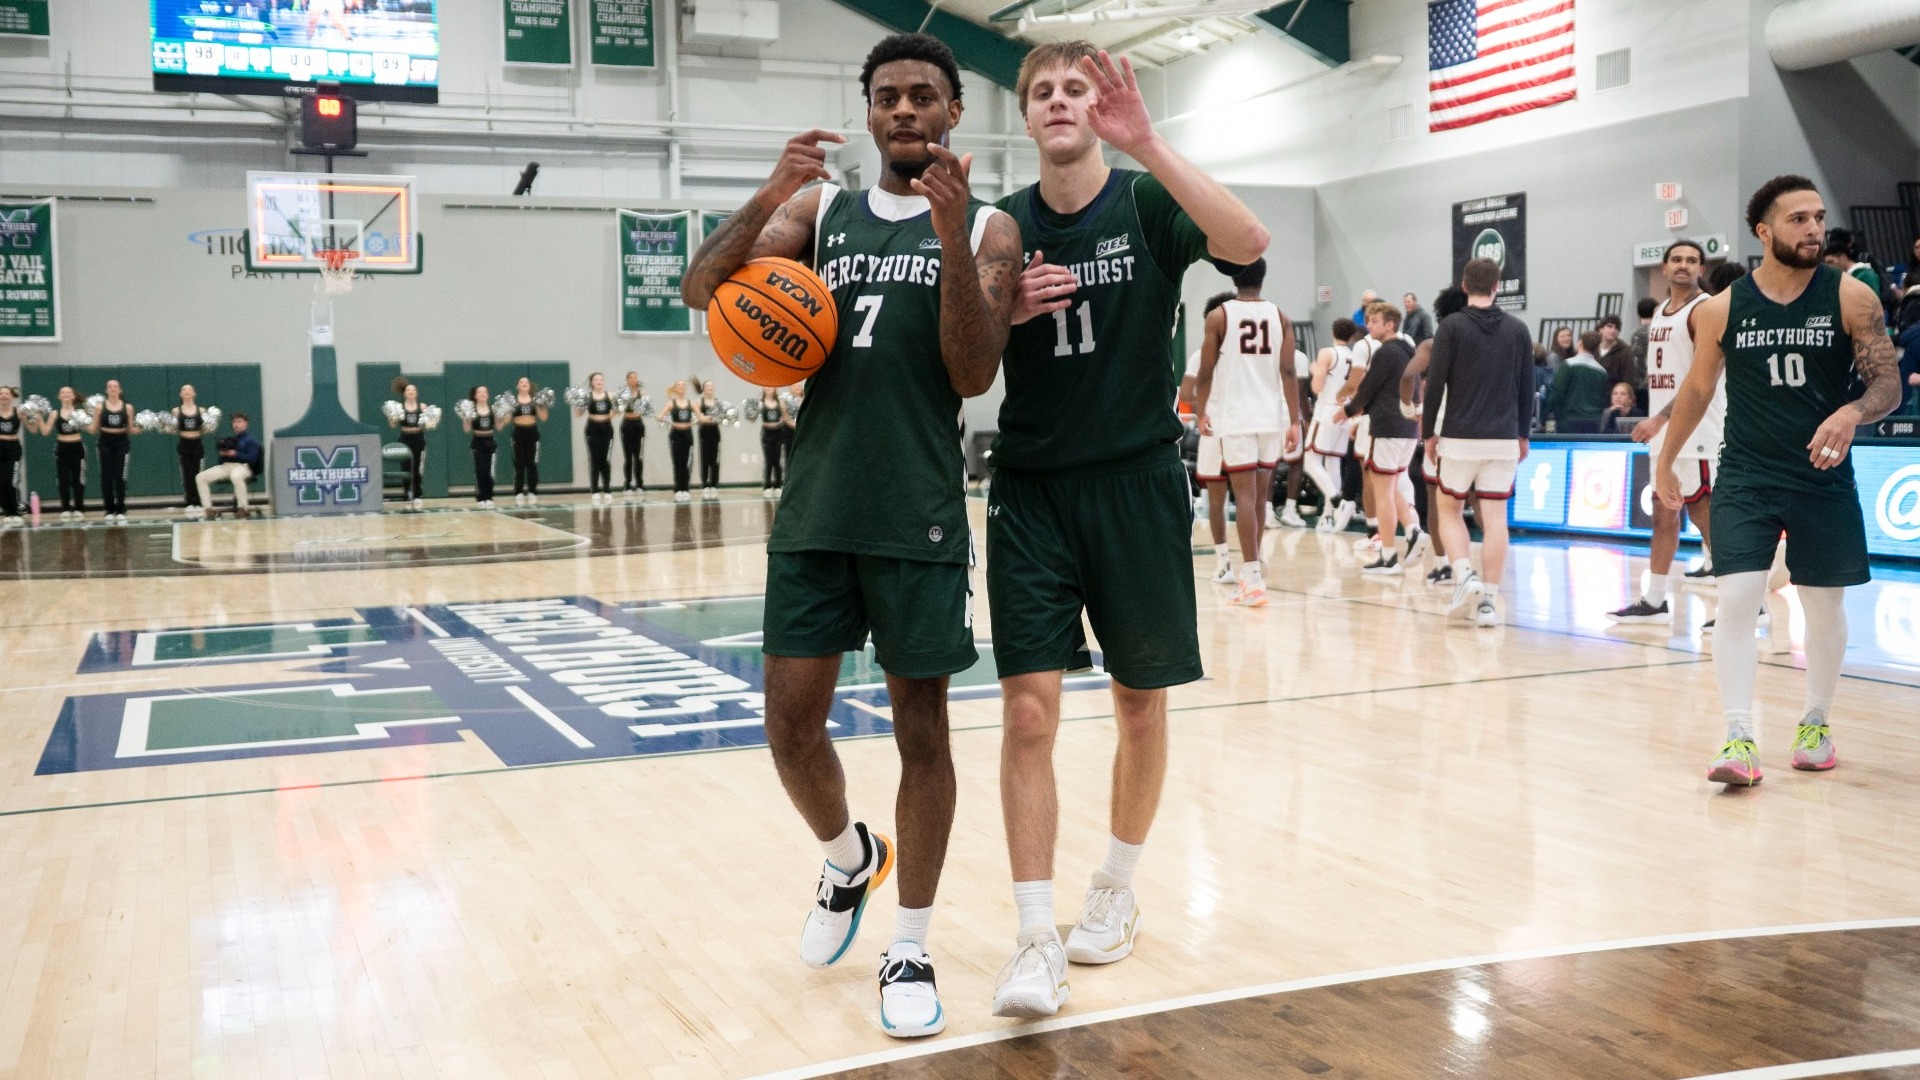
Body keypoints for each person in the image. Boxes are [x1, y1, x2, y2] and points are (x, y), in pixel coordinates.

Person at [679, 31, 1019, 1038]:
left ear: (953, 113)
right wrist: (764, 193)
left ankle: (908, 944)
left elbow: (971, 374)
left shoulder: (991, 227)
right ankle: (846, 858)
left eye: (923, 96)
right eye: (887, 97)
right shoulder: (819, 210)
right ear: (868, 113)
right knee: (788, 723)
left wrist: (952, 237)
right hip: (818, 506)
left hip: (916, 509)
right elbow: (705, 289)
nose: (905, 111)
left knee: (924, 732)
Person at [989, 41, 1267, 1019]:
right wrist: (999, 307)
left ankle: (1114, 885)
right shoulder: (1000, 227)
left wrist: (1148, 141)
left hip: (1138, 484)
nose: (1061, 101)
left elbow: (1245, 237)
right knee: (1027, 711)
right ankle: (1032, 937)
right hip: (1029, 491)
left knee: (1139, 704)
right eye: (1044, 91)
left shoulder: (1146, 205)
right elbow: (965, 363)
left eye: (1077, 88)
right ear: (1024, 115)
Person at [1658, 175, 1902, 787]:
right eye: (1798, 219)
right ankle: (1738, 736)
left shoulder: (1851, 297)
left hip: (1821, 474)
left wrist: (1851, 412)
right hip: (1746, 473)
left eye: (1818, 217)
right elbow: (1697, 389)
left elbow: (1887, 385)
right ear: (1764, 231)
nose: (1814, 228)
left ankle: (1816, 721)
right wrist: (1665, 460)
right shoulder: (1722, 308)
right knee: (1738, 597)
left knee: (1822, 604)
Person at [1423, 256, 1534, 628]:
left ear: (1465, 287)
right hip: (1504, 437)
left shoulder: (1451, 327)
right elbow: (1527, 387)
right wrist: (1523, 434)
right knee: (1495, 518)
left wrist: (1428, 434)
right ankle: (1488, 601)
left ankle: (1463, 575)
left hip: (1460, 436)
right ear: (1498, 286)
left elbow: (1435, 383)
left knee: (1449, 508)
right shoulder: (1518, 329)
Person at [1611, 239, 1712, 624]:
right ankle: (1654, 600)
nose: (1684, 265)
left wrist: (1659, 420)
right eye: (1677, 259)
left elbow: (1700, 380)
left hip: (1698, 431)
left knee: (1707, 519)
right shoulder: (1659, 312)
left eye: (1692, 260)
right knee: (1663, 516)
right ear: (1665, 268)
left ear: (1702, 269)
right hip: (1667, 434)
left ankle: (1754, 604)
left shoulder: (1704, 310)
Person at [1194, 261, 1300, 605]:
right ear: (1263, 278)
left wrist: (1201, 410)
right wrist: (1295, 420)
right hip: (1270, 416)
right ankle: (1256, 561)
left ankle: (1252, 576)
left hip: (1237, 416)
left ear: (1233, 277)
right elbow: (1288, 369)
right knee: (1259, 494)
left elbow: (1206, 372)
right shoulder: (1281, 316)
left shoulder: (1219, 316)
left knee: (1244, 498)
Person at [1341, 302, 1423, 575]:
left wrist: (1348, 411)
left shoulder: (1385, 352)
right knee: (1393, 483)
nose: (1369, 325)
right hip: (1408, 428)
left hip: (1387, 426)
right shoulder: (1409, 349)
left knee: (1383, 491)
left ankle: (1389, 555)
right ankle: (1412, 530)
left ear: (1390, 324)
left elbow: (1368, 387)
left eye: (1374, 321)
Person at [1183, 293, 1236, 585]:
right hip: (1247, 426)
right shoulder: (1249, 350)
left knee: (1217, 500)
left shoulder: (1202, 351)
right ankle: (1257, 559)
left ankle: (1224, 562)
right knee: (1253, 497)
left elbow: (1185, 394)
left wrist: (1209, 397)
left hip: (1215, 427)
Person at [1303, 319, 1361, 534]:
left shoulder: (1327, 353)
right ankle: (1327, 517)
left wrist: (1316, 369)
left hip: (1326, 412)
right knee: (1333, 464)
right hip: (1345, 413)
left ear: (1332, 332)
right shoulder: (1356, 357)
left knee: (1310, 461)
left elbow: (1317, 387)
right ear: (1352, 336)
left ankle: (1339, 502)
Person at [196, 412, 264, 518]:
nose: (236, 424)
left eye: (239, 421)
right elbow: (221, 462)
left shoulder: (251, 441)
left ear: (246, 423)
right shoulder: (231, 440)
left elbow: (252, 459)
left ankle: (243, 508)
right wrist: (224, 455)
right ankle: (207, 509)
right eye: (234, 422)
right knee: (200, 477)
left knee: (235, 476)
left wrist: (236, 454)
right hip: (227, 466)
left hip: (244, 467)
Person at [89, 379, 138, 525]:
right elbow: (94, 428)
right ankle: (109, 510)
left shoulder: (128, 407)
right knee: (106, 476)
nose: (112, 388)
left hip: (121, 443)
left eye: (115, 386)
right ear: (106, 390)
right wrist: (78, 422)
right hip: (105, 443)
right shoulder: (99, 407)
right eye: (109, 386)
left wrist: (144, 425)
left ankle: (121, 508)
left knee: (120, 476)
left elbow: (130, 429)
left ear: (120, 390)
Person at [1543, 331, 1611, 433]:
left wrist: (1544, 416)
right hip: (1594, 423)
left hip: (1568, 421)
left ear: (1580, 343)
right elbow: (1604, 401)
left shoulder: (1568, 365)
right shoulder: (1602, 372)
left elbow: (1557, 393)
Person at [38, 387, 87, 520]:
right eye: (62, 392)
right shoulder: (55, 413)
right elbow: (45, 431)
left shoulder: (80, 412)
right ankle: (65, 508)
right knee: (63, 480)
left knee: (78, 480)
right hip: (62, 449)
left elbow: (91, 428)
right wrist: (38, 417)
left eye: (68, 392)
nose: (65, 394)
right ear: (59, 396)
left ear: (73, 396)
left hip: (77, 448)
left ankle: (79, 508)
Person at [173, 384, 215, 519]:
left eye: (190, 390)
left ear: (194, 393)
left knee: (199, 474)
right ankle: (189, 502)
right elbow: (173, 429)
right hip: (184, 445)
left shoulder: (201, 410)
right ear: (180, 394)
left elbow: (206, 428)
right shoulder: (176, 411)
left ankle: (198, 502)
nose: (187, 392)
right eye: (184, 390)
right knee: (186, 475)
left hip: (197, 445)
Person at [387, 379, 429, 511]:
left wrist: (430, 420)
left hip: (419, 438)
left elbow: (428, 425)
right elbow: (393, 425)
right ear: (405, 393)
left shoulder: (422, 407)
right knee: (406, 469)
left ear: (416, 393)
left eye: (413, 390)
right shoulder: (399, 408)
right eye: (408, 390)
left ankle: (417, 496)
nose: (411, 392)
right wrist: (391, 417)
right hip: (405, 439)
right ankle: (407, 496)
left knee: (417, 469)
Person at [577, 372, 616, 506]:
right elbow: (578, 414)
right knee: (594, 459)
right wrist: (578, 403)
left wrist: (610, 415)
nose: (599, 381)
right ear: (592, 382)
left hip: (607, 429)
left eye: (601, 379)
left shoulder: (610, 395)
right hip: (592, 430)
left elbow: (617, 410)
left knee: (606, 460)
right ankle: (594, 490)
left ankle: (607, 489)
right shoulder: (587, 397)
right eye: (596, 379)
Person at [507, 376, 547, 506]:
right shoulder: (512, 401)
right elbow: (507, 420)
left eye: (526, 382)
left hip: (532, 433)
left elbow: (543, 417)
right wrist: (506, 409)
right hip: (518, 433)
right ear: (517, 386)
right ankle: (518, 492)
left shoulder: (536, 401)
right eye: (521, 382)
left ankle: (532, 491)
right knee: (519, 464)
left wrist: (543, 406)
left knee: (532, 464)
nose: (524, 384)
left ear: (529, 386)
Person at [657, 380, 696, 503]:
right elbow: (659, 416)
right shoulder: (671, 403)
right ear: (675, 388)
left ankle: (686, 488)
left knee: (687, 462)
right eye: (679, 385)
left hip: (688, 435)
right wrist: (670, 422)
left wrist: (715, 417)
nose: (682, 387)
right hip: (675, 435)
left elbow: (700, 417)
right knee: (677, 462)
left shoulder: (691, 403)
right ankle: (678, 488)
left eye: (683, 385)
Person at [463, 386, 499, 508]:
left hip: (490, 442)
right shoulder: (471, 410)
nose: (483, 394)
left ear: (487, 395)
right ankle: (480, 498)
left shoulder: (493, 409)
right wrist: (466, 418)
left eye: (485, 392)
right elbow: (466, 429)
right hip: (477, 442)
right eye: (480, 392)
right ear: (475, 395)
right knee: (480, 471)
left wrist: (503, 416)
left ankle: (489, 497)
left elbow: (499, 427)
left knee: (489, 472)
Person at [619, 371, 647, 499]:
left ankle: (640, 484)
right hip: (627, 425)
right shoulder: (623, 393)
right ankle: (627, 485)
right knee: (628, 457)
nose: (633, 379)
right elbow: (619, 408)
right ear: (627, 379)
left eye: (635, 377)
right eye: (631, 377)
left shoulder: (642, 393)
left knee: (638, 457)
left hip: (638, 425)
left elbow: (646, 409)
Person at [758, 387, 790, 498]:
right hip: (766, 436)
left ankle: (778, 485)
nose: (769, 389)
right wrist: (770, 424)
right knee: (768, 460)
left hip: (778, 435)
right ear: (763, 389)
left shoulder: (780, 402)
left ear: (775, 389)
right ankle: (767, 486)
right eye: (766, 387)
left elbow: (785, 418)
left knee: (777, 460)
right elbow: (759, 421)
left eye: (771, 387)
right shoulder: (761, 404)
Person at [696, 380, 724, 501]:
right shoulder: (699, 402)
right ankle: (705, 483)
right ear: (703, 389)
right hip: (704, 433)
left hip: (715, 432)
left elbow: (722, 417)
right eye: (707, 386)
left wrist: (708, 418)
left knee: (715, 458)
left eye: (712, 386)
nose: (710, 388)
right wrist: (711, 417)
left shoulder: (718, 402)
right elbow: (699, 419)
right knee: (705, 458)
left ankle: (714, 483)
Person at [1595, 314, 1637, 391]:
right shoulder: (1593, 349)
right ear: (1601, 329)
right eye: (1609, 326)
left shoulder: (1625, 352)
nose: (1613, 330)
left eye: (1616, 328)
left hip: (1613, 398)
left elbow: (1628, 379)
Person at [0, 387, 22, 527]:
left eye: (6, 393)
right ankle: (7, 511)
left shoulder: (18, 411)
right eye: (1, 394)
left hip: (13, 448)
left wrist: (34, 418)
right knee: (1, 481)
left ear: (12, 396)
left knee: (11, 481)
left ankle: (15, 511)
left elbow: (31, 428)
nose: (3, 396)